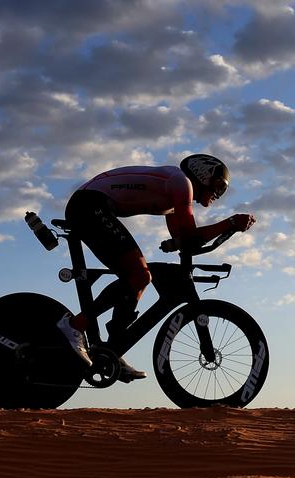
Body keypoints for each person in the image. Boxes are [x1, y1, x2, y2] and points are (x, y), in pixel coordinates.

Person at [56, 154, 256, 381]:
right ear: (204, 173)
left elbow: (185, 239)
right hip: (89, 205)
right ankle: (75, 324)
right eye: (218, 186)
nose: (217, 195)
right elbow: (191, 236)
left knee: (138, 279)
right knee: (141, 275)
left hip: (91, 205)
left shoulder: (173, 200)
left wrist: (181, 242)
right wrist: (229, 223)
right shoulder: (182, 183)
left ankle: (111, 350)